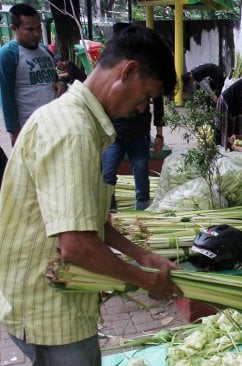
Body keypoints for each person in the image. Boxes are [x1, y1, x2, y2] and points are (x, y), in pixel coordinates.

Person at [0, 24, 183, 365]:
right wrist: (145, 281)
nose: (142, 107)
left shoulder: (74, 120)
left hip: (52, 298)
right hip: (49, 309)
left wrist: (140, 254)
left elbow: (87, 219)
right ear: (128, 71)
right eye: (145, 96)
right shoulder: (73, 132)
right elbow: (76, 244)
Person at [102, 22, 165, 211]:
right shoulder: (109, 67)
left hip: (138, 132)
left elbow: (159, 101)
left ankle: (142, 212)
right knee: (108, 173)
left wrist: (159, 134)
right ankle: (108, 210)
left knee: (140, 170)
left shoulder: (146, 68)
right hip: (114, 133)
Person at [0, 3, 67, 145]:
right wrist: (14, 132)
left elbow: (55, 80)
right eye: (29, 30)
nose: (37, 34)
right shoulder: (8, 54)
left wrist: (61, 83)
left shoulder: (45, 51)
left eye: (38, 28)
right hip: (29, 128)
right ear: (14, 29)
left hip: (54, 125)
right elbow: (6, 95)